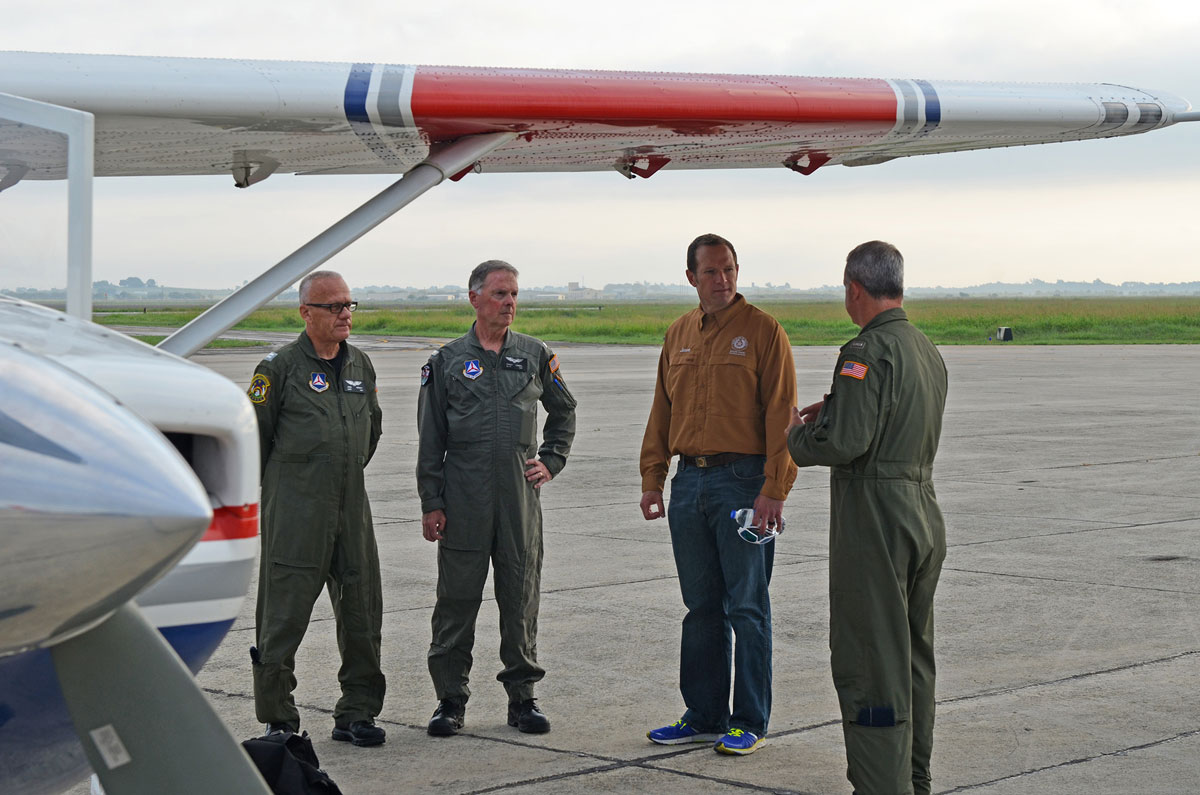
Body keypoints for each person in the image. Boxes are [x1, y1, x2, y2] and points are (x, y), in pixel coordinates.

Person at [786, 241, 948, 795]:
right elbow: (887, 421)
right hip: (922, 510)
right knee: (911, 657)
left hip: (876, 519)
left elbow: (846, 444)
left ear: (855, 288)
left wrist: (799, 433)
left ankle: (883, 785)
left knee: (870, 658)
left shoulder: (865, 350)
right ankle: (913, 777)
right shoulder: (925, 349)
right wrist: (837, 409)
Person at [639, 233, 798, 756]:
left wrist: (775, 489)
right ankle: (703, 714)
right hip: (690, 483)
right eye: (711, 272)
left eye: (729, 269)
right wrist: (653, 479)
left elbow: (783, 417)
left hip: (744, 483)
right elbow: (662, 412)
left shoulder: (763, 331)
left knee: (747, 606)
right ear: (691, 278)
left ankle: (749, 719)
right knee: (700, 606)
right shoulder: (679, 334)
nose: (723, 279)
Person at [416, 260, 577, 737]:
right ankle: (450, 701)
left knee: (520, 597)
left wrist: (551, 459)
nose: (509, 303)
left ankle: (523, 699)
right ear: (475, 299)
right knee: (456, 602)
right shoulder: (445, 362)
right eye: (500, 294)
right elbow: (431, 440)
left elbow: (564, 410)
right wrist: (432, 501)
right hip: (463, 498)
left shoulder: (534, 354)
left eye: (514, 295)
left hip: (517, 499)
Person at [246, 270, 386, 747]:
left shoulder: (360, 366)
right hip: (296, 514)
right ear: (306, 312)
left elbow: (372, 431)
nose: (345, 314)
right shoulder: (278, 369)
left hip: (351, 510)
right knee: (282, 619)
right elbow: (253, 442)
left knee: (363, 615)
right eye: (334, 306)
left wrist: (339, 473)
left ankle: (358, 713)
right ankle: (278, 717)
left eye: (349, 305)